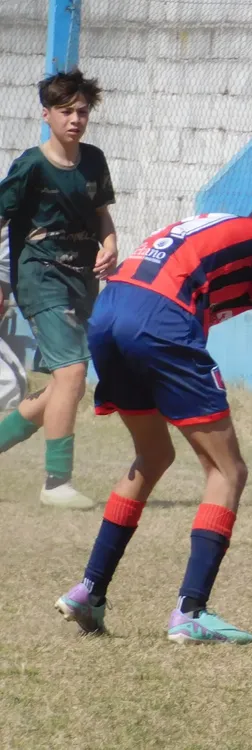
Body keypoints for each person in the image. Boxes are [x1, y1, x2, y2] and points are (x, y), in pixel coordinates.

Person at [54, 202, 252, 644]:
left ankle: (88, 591)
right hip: (160, 320)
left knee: (152, 455)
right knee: (227, 470)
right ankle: (191, 611)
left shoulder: (211, 225)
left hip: (110, 311)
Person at [0, 69, 117, 510]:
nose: (75, 119)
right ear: (46, 114)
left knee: (66, 387)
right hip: (40, 276)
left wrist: (110, 245)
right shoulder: (30, 165)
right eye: (65, 111)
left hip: (82, 280)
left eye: (82, 111)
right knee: (72, 374)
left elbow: (102, 214)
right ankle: (56, 483)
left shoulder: (94, 161)